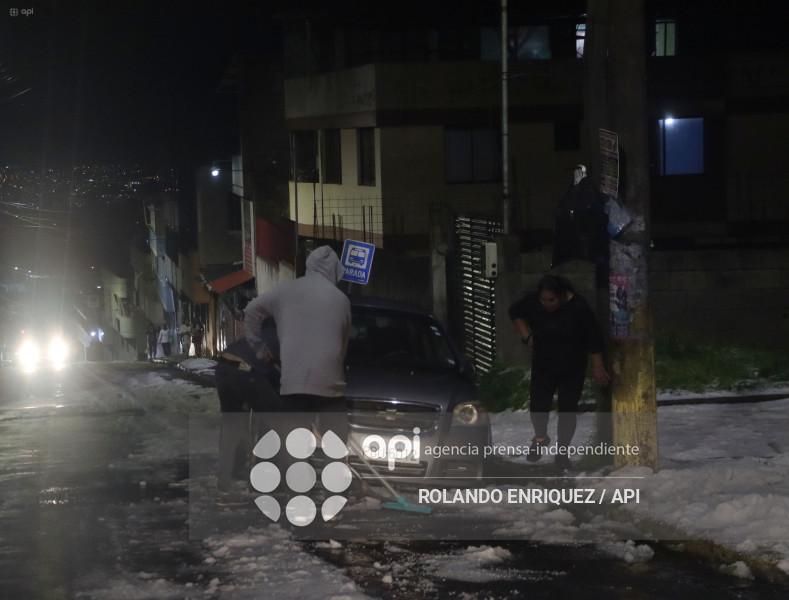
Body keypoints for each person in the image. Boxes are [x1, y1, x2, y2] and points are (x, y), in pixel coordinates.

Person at [244, 245, 351, 447]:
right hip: (331, 385)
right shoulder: (341, 300)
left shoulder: (285, 291)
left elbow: (251, 312)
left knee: (295, 449)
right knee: (335, 447)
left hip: (294, 384)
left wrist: (260, 350)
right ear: (335, 270)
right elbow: (342, 344)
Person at [508, 274, 611, 472]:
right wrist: (526, 335)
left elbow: (594, 338)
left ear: (563, 296)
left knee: (567, 409)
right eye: (543, 300)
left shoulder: (579, 308)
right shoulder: (532, 302)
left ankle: (562, 453)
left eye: (552, 300)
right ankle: (540, 438)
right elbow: (514, 311)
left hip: (572, 366)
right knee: (538, 405)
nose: (547, 304)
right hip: (543, 363)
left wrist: (598, 367)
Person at [215, 320, 283, 504]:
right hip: (247, 372)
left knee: (232, 426)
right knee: (277, 423)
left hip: (223, 367)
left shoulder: (266, 332)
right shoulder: (287, 336)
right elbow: (279, 375)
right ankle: (265, 479)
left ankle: (226, 480)